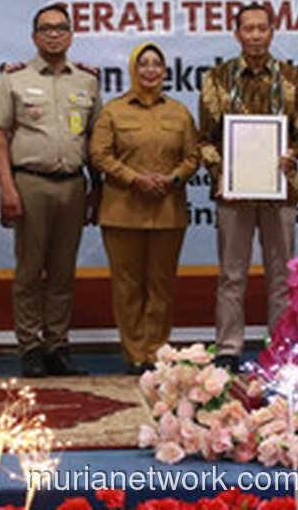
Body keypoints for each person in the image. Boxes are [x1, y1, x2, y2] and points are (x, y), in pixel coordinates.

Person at [197, 2, 298, 373]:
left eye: (261, 28)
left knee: (282, 275)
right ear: (237, 34)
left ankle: (281, 347)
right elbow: (205, 139)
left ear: (272, 32)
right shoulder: (217, 78)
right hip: (233, 194)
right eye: (248, 29)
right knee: (232, 275)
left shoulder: (293, 79)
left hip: (280, 189)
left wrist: (292, 152)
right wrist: (222, 171)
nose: (255, 35)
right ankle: (229, 348)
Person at [0, 3, 102, 378]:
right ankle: (30, 347)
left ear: (71, 35)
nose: (54, 34)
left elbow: (96, 139)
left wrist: (96, 189)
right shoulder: (13, 79)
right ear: (34, 37)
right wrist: (7, 186)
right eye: (46, 28)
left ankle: (57, 346)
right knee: (29, 271)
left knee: (63, 272)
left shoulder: (86, 80)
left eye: (61, 28)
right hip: (30, 183)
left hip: (73, 184)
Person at [90, 42, 199, 374]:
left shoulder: (179, 112)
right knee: (127, 285)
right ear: (133, 70)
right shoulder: (114, 111)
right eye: (143, 64)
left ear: (165, 71)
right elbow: (99, 155)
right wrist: (134, 179)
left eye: (156, 64)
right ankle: (134, 352)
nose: (150, 70)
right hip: (123, 212)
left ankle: (156, 352)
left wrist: (173, 178)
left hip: (167, 210)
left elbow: (193, 157)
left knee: (161, 285)